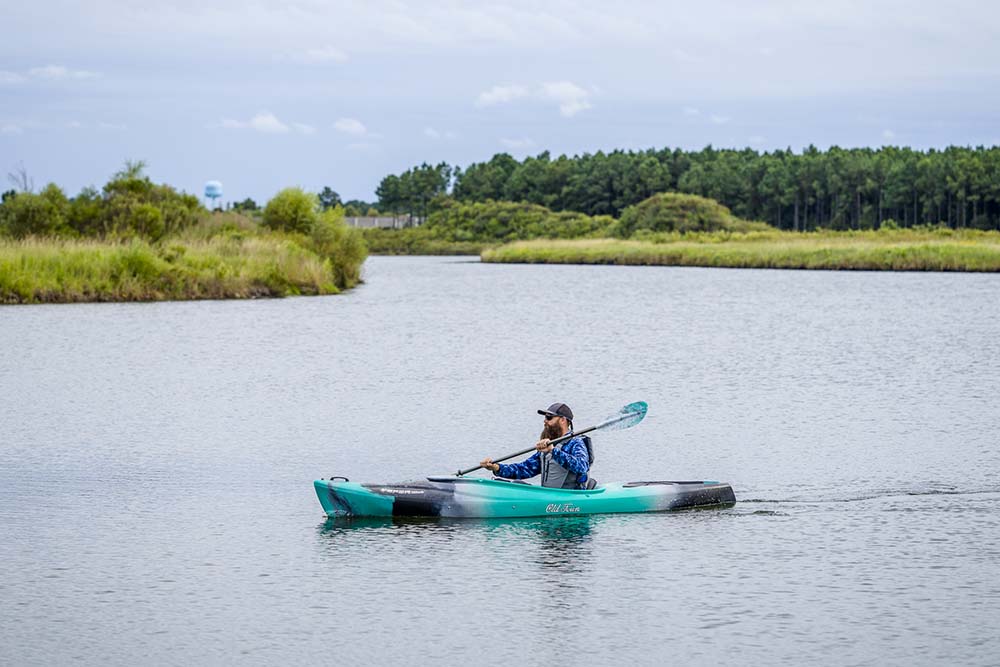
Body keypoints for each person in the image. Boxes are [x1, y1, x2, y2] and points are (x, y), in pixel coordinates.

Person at [479, 402, 592, 489]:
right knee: (517, 483)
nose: (545, 421)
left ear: (563, 420)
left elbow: (582, 466)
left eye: (549, 417)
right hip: (550, 496)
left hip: (570, 498)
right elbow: (525, 469)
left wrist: (553, 451)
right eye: (545, 418)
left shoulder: (575, 442)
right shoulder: (549, 445)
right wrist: (497, 467)